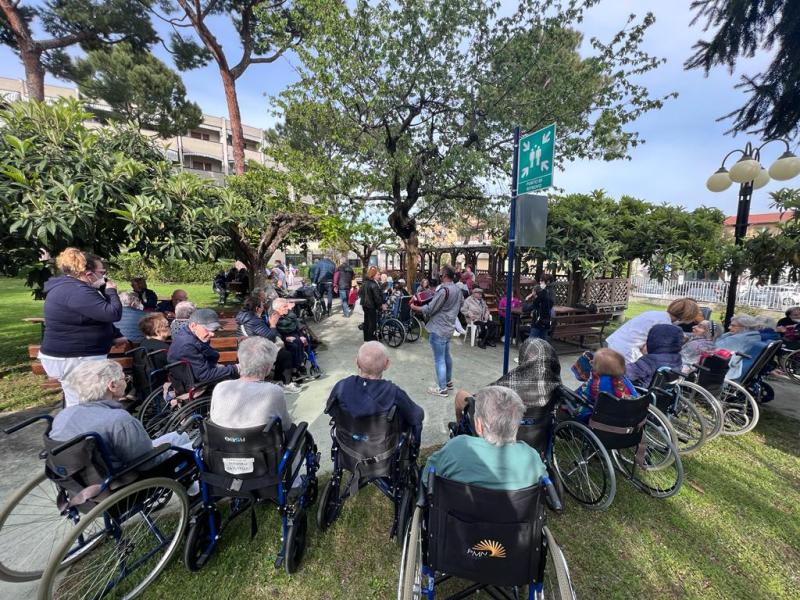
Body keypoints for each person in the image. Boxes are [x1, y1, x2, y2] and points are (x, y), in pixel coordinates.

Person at [49, 360, 192, 470]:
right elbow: (146, 462)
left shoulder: (63, 416)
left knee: (179, 436)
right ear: (112, 386)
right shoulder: (119, 420)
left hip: (86, 475)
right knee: (197, 448)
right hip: (132, 474)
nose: (127, 381)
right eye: (124, 378)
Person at [39, 247, 126, 407]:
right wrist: (112, 291)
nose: (104, 277)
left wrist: (114, 334)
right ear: (88, 274)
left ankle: (78, 426)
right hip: (74, 356)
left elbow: (93, 316)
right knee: (85, 402)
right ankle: (81, 430)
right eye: (102, 272)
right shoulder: (77, 291)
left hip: (75, 355)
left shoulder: (74, 287)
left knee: (79, 399)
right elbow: (112, 313)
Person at [424, 386, 547, 490]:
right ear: (516, 425)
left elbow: (426, 478)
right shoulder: (532, 458)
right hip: (515, 517)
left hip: (457, 516)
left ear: (478, 425)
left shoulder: (457, 448)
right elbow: (543, 486)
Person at [326, 341, 425, 442]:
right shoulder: (394, 393)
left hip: (347, 450)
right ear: (387, 364)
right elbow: (417, 416)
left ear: (357, 362)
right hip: (382, 452)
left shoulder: (342, 386)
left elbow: (331, 411)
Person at [454, 338, 561, 421]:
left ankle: (459, 430)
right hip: (536, 434)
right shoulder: (555, 385)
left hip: (501, 428)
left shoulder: (514, 382)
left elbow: (487, 394)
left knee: (461, 395)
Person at [209, 337, 293, 430]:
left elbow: (213, 419)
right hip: (261, 443)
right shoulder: (274, 391)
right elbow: (286, 426)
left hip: (222, 441)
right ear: (268, 367)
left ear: (240, 362)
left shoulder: (221, 387)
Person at [411, 265, 463, 397]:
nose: (438, 276)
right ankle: (448, 381)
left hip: (438, 327)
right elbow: (460, 304)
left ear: (445, 275)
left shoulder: (444, 290)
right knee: (446, 356)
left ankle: (442, 388)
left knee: (439, 359)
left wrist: (414, 307)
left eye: (440, 273)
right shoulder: (457, 289)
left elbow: (429, 309)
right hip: (449, 327)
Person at [606, 298, 701, 365]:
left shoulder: (655, 314)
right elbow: (649, 350)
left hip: (615, 342)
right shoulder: (664, 324)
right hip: (627, 351)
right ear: (688, 316)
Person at [235, 297, 300, 391]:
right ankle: (286, 383)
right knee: (285, 354)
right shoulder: (254, 320)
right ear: (257, 308)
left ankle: (279, 380)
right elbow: (270, 337)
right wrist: (273, 324)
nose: (264, 307)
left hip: (247, 349)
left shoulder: (244, 317)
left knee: (282, 352)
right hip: (255, 351)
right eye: (262, 305)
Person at [168, 309, 239, 383]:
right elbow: (205, 376)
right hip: (196, 386)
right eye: (207, 329)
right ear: (193, 325)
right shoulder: (187, 345)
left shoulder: (190, 335)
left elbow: (210, 357)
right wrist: (235, 368)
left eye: (214, 330)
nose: (212, 334)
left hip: (198, 376)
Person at [715, 314, 763, 379]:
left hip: (721, 369)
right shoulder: (755, 336)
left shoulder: (738, 339)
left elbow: (712, 350)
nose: (729, 327)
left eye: (733, 326)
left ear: (745, 327)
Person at [271, 297, 309, 380]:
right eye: (284, 307)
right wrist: (285, 338)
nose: (287, 308)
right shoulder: (274, 318)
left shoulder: (290, 315)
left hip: (294, 335)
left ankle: (299, 366)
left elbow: (297, 327)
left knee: (300, 341)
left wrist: (301, 335)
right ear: (278, 309)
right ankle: (295, 369)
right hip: (283, 339)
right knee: (294, 345)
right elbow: (275, 333)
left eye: (286, 306)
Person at [526, 274, 556, 341]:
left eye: (541, 281)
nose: (540, 282)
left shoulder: (545, 292)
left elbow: (536, 303)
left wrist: (528, 301)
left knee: (531, 340)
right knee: (542, 340)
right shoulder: (551, 291)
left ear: (547, 282)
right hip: (546, 319)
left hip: (539, 319)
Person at [359, 267, 386, 342]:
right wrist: (381, 305)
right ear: (373, 275)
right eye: (378, 274)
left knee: (366, 322)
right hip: (371, 306)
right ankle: (371, 339)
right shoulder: (374, 284)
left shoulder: (364, 283)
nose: (379, 276)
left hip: (364, 305)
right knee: (372, 323)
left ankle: (366, 339)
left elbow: (360, 293)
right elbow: (377, 298)